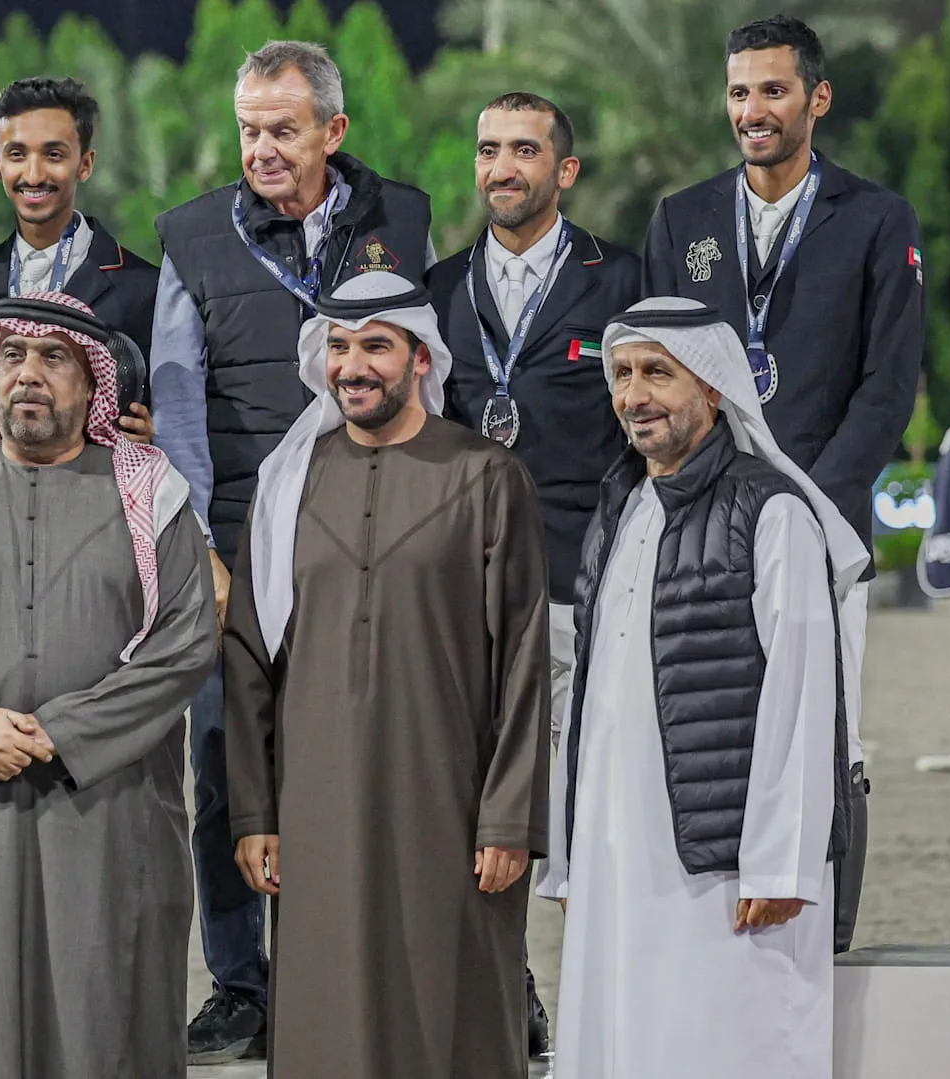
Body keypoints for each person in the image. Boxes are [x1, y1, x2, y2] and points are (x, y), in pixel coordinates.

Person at [150, 40, 435, 1061]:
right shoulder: (191, 235)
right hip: (237, 543)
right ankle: (241, 983)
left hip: (374, 534)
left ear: (333, 131)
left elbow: (426, 368)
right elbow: (177, 405)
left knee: (380, 759)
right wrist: (206, 551)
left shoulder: (401, 219)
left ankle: (367, 960)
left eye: (283, 128)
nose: (263, 149)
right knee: (228, 760)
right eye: (250, 130)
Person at [0, 291, 218, 1079]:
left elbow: (186, 641)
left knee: (112, 1014)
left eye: (54, 357)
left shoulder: (148, 497)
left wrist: (70, 730)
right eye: (12, 358)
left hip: (112, 809)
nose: (29, 374)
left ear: (94, 385)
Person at [640, 13, 923, 951]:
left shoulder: (879, 219)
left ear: (817, 98)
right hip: (704, 525)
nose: (752, 111)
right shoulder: (681, 220)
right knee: (710, 726)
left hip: (822, 525)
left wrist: (806, 505)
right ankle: (704, 927)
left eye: (772, 91)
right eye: (738, 92)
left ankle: (828, 931)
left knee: (826, 728)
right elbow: (653, 371)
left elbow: (887, 386)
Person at [223, 272, 550, 1079]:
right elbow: (248, 656)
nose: (353, 366)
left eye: (375, 346)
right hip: (316, 805)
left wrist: (509, 816)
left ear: (418, 359)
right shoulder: (287, 483)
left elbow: (524, 657)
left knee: (452, 1005)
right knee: (325, 1007)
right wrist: (256, 809)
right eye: (338, 347)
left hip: (451, 804)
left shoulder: (484, 475)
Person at [539, 297, 865, 1078]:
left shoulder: (772, 510)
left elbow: (802, 692)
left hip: (727, 866)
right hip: (621, 849)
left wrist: (781, 861)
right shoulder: (620, 505)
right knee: (625, 1034)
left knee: (726, 1039)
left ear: (713, 388)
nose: (634, 394)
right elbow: (589, 694)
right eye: (622, 374)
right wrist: (570, 848)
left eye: (658, 372)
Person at [423, 90, 640, 1054]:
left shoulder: (623, 281)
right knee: (480, 808)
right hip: (464, 595)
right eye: (487, 151)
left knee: (592, 800)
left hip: (582, 585)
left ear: (566, 169)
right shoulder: (434, 291)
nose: (501, 168)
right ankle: (515, 990)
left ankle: (601, 989)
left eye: (522, 150)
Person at [0, 77, 160, 445]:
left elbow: (161, 410)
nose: (34, 175)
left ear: (85, 164)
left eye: (53, 155)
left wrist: (154, 437)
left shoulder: (144, 288)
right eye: (17, 154)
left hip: (97, 491)